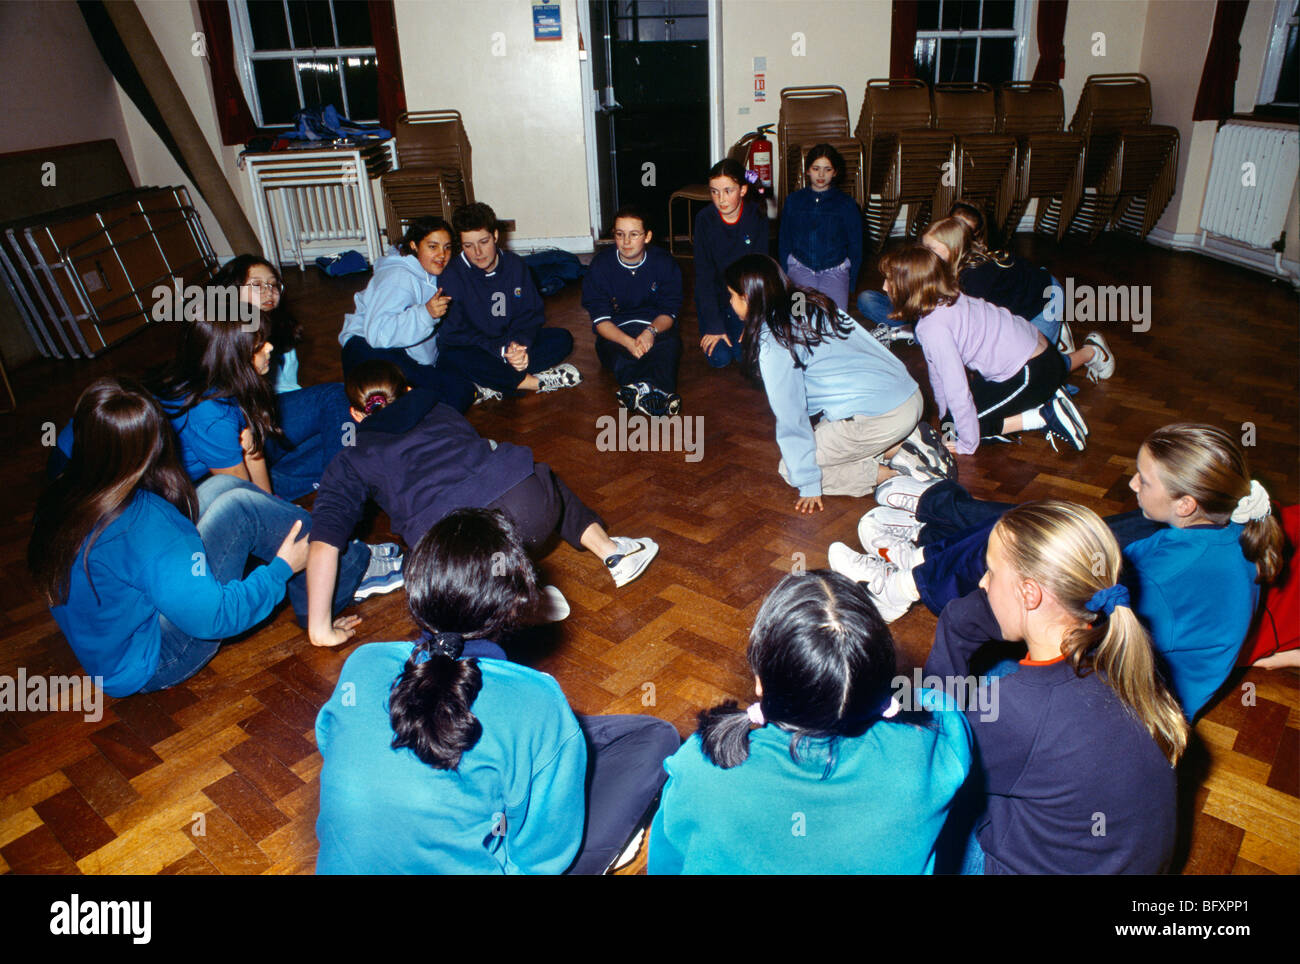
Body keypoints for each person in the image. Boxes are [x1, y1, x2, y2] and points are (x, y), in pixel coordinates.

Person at [315, 508, 681, 874]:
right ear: (514, 607)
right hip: (513, 824)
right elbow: (543, 859)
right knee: (657, 737)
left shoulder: (363, 663)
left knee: (579, 735)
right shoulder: (538, 698)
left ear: (416, 590)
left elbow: (331, 740)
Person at [836, 424, 1281, 721]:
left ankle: (918, 568)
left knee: (1022, 566)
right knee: (1047, 528)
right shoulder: (1232, 525)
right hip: (1136, 670)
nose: (1132, 484)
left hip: (1124, 704)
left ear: (1186, 504)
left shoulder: (1161, 581)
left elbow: (1084, 627)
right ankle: (924, 555)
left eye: (1144, 481)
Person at [27, 378, 380, 697]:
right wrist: (281, 569)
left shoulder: (64, 494)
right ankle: (347, 564)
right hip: (153, 659)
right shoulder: (141, 521)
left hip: (114, 646)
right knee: (240, 510)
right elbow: (215, 618)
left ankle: (326, 568)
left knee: (224, 486)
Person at [305, 361, 659, 647]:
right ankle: (613, 553)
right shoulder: (440, 409)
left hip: (456, 551)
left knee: (431, 564)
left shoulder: (349, 461)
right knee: (537, 475)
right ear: (408, 391)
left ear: (355, 414)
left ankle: (513, 607)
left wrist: (320, 628)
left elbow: (323, 543)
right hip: (527, 510)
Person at [647, 570, 972, 874]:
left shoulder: (697, 768)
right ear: (883, 676)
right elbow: (932, 703)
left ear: (761, 681)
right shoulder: (940, 738)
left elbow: (666, 863)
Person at [925, 501, 1188, 873]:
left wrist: (953, 629)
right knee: (1000, 675)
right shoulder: (1131, 658)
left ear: (1029, 594)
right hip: (1119, 858)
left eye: (991, 572)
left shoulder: (1019, 710)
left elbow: (932, 761)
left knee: (904, 818)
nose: (982, 583)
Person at [725, 253, 953, 517]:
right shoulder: (807, 301)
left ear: (748, 298)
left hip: (882, 415)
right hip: (908, 396)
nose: (730, 302)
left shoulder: (774, 340)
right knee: (820, 441)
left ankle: (900, 474)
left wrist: (809, 482)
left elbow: (791, 416)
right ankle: (903, 445)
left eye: (732, 295)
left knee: (792, 468)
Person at [878, 245, 1088, 454]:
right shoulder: (947, 299)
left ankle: (1043, 415)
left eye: (890, 280)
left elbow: (957, 388)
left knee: (963, 430)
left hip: (1033, 373)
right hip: (1041, 359)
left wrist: (965, 443)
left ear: (910, 285)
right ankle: (1043, 401)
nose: (884, 287)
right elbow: (937, 374)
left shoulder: (933, 328)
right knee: (953, 424)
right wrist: (946, 419)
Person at [920, 213, 1114, 381]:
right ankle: (1055, 337)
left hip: (1046, 300)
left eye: (931, 249)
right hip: (1030, 294)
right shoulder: (959, 265)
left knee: (1039, 372)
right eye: (923, 247)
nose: (923, 254)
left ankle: (1093, 352)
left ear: (954, 250)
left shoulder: (973, 279)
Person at [434, 202, 581, 400]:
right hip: (478, 349)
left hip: (510, 346)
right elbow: (455, 334)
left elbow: (531, 315)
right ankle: (531, 382)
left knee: (562, 338)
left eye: (484, 242)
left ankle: (492, 382)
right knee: (450, 359)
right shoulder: (451, 275)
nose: (478, 252)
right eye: (468, 245)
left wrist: (519, 347)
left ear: (495, 235)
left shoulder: (515, 265)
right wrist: (499, 351)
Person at [337, 216, 475, 411]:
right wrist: (426, 314)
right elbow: (378, 334)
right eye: (433, 246)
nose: (442, 254)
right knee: (455, 393)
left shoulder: (432, 275)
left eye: (447, 247)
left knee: (457, 390)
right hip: (366, 350)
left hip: (394, 350)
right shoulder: (398, 276)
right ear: (414, 245)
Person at [581, 205, 684, 415]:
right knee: (618, 354)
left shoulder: (664, 263)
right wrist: (628, 342)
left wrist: (650, 333)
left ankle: (639, 390)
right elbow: (600, 321)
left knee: (670, 345)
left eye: (633, 234)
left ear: (647, 237)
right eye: (620, 234)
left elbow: (669, 312)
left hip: (654, 326)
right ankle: (655, 393)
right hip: (617, 332)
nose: (626, 242)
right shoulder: (600, 266)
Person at [693, 158, 770, 368]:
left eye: (728, 191)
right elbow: (704, 277)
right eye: (714, 192)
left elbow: (760, 274)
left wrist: (752, 321)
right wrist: (713, 325)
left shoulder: (757, 216)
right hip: (717, 298)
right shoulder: (704, 220)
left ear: (743, 190)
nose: (721, 199)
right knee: (720, 358)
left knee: (743, 354)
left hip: (746, 300)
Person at [777, 143, 863, 312]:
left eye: (827, 169)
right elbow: (784, 240)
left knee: (835, 320)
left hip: (835, 271)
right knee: (798, 318)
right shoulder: (794, 201)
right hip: (800, 269)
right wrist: (786, 274)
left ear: (835, 172)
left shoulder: (846, 204)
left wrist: (850, 282)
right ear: (807, 170)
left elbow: (856, 245)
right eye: (816, 168)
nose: (821, 175)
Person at [211, 255, 303, 393]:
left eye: (273, 284)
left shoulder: (282, 328)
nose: (269, 291)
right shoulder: (229, 338)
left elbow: (290, 383)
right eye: (257, 285)